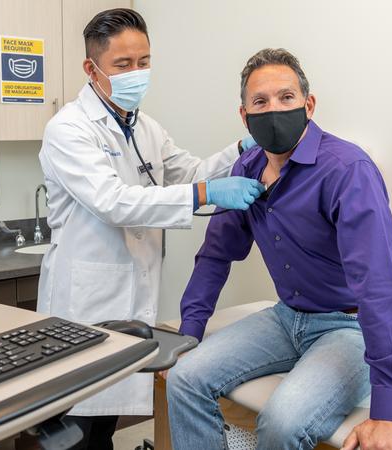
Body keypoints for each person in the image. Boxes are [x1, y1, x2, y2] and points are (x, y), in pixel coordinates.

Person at [166, 48, 392, 450]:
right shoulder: (245, 169)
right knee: (183, 379)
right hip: (287, 317)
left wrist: (390, 412)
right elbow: (215, 255)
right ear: (244, 117)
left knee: (282, 421)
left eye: (286, 98)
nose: (274, 110)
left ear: (309, 104)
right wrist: (189, 334)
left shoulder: (347, 170)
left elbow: (379, 284)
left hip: (347, 328)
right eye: (260, 102)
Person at [37, 8, 264, 449]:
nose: (136, 73)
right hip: (85, 303)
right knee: (76, 432)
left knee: (104, 425)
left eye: (144, 62)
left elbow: (191, 172)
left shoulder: (146, 127)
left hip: (130, 300)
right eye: (123, 65)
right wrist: (207, 194)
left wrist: (240, 147)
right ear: (92, 68)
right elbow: (113, 202)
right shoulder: (68, 129)